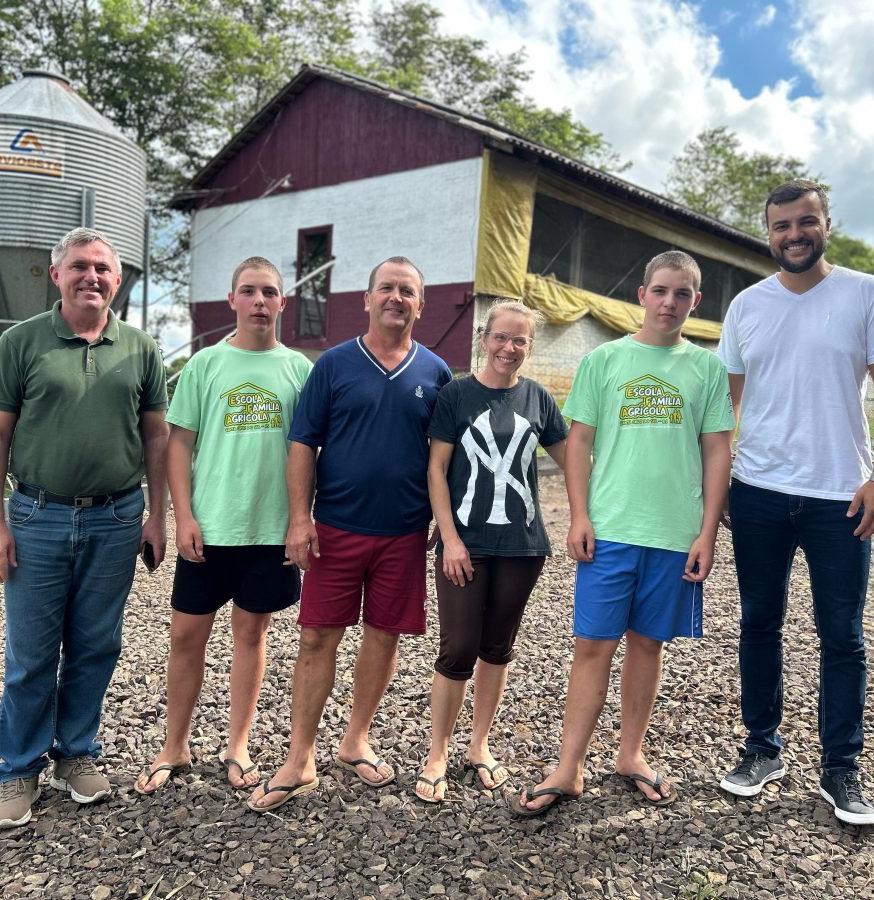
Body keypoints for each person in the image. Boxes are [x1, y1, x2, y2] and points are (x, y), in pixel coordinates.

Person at [512, 250, 734, 818]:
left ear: (695, 302)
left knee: (647, 645)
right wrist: (579, 515)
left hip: (673, 533)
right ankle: (569, 766)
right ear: (642, 294)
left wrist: (707, 532)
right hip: (610, 528)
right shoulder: (604, 361)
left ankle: (629, 754)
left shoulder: (706, 369)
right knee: (592, 646)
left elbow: (716, 451)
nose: (669, 303)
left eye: (681, 294)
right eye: (660, 291)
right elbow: (578, 442)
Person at [715, 180, 874, 826]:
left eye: (806, 222)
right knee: (758, 623)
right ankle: (761, 749)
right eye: (781, 226)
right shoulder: (747, 306)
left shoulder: (865, 294)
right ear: (767, 232)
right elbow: (727, 408)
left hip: (839, 496)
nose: (793, 235)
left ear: (828, 223)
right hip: (760, 492)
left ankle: (841, 771)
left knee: (843, 637)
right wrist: (716, 489)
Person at [0, 227, 168, 830]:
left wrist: (156, 514)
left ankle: (77, 753)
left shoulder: (140, 348)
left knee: (96, 644)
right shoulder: (21, 342)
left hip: (116, 516)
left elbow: (156, 436)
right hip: (37, 516)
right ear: (55, 274)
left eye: (104, 269)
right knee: (32, 653)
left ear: (118, 280)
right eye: (80, 266)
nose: (92, 277)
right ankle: (18, 768)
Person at [246, 256, 452, 813]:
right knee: (316, 638)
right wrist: (298, 517)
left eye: (407, 290)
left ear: (420, 305)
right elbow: (301, 445)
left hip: (404, 533)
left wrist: (447, 523)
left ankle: (355, 737)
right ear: (366, 298)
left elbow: (445, 457)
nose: (395, 297)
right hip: (334, 529)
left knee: (383, 636)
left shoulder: (436, 373)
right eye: (385, 287)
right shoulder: (334, 365)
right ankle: (299, 757)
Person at [134, 257, 312, 795]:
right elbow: (178, 444)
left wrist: (301, 520)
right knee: (186, 636)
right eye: (249, 291)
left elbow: (309, 451)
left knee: (251, 634)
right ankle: (175, 745)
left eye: (270, 293)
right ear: (231, 300)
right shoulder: (205, 365)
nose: (260, 301)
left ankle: (238, 744)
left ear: (283, 304)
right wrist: (180, 516)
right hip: (209, 529)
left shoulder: (299, 370)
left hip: (270, 530)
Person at [413, 302, 568, 803]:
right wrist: (450, 537)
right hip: (466, 545)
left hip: (523, 548)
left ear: (529, 346)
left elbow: (576, 462)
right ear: (485, 339)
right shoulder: (456, 394)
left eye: (520, 340)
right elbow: (436, 469)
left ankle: (479, 746)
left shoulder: (538, 399)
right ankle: (437, 751)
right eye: (502, 337)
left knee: (497, 648)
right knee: (457, 647)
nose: (509, 348)